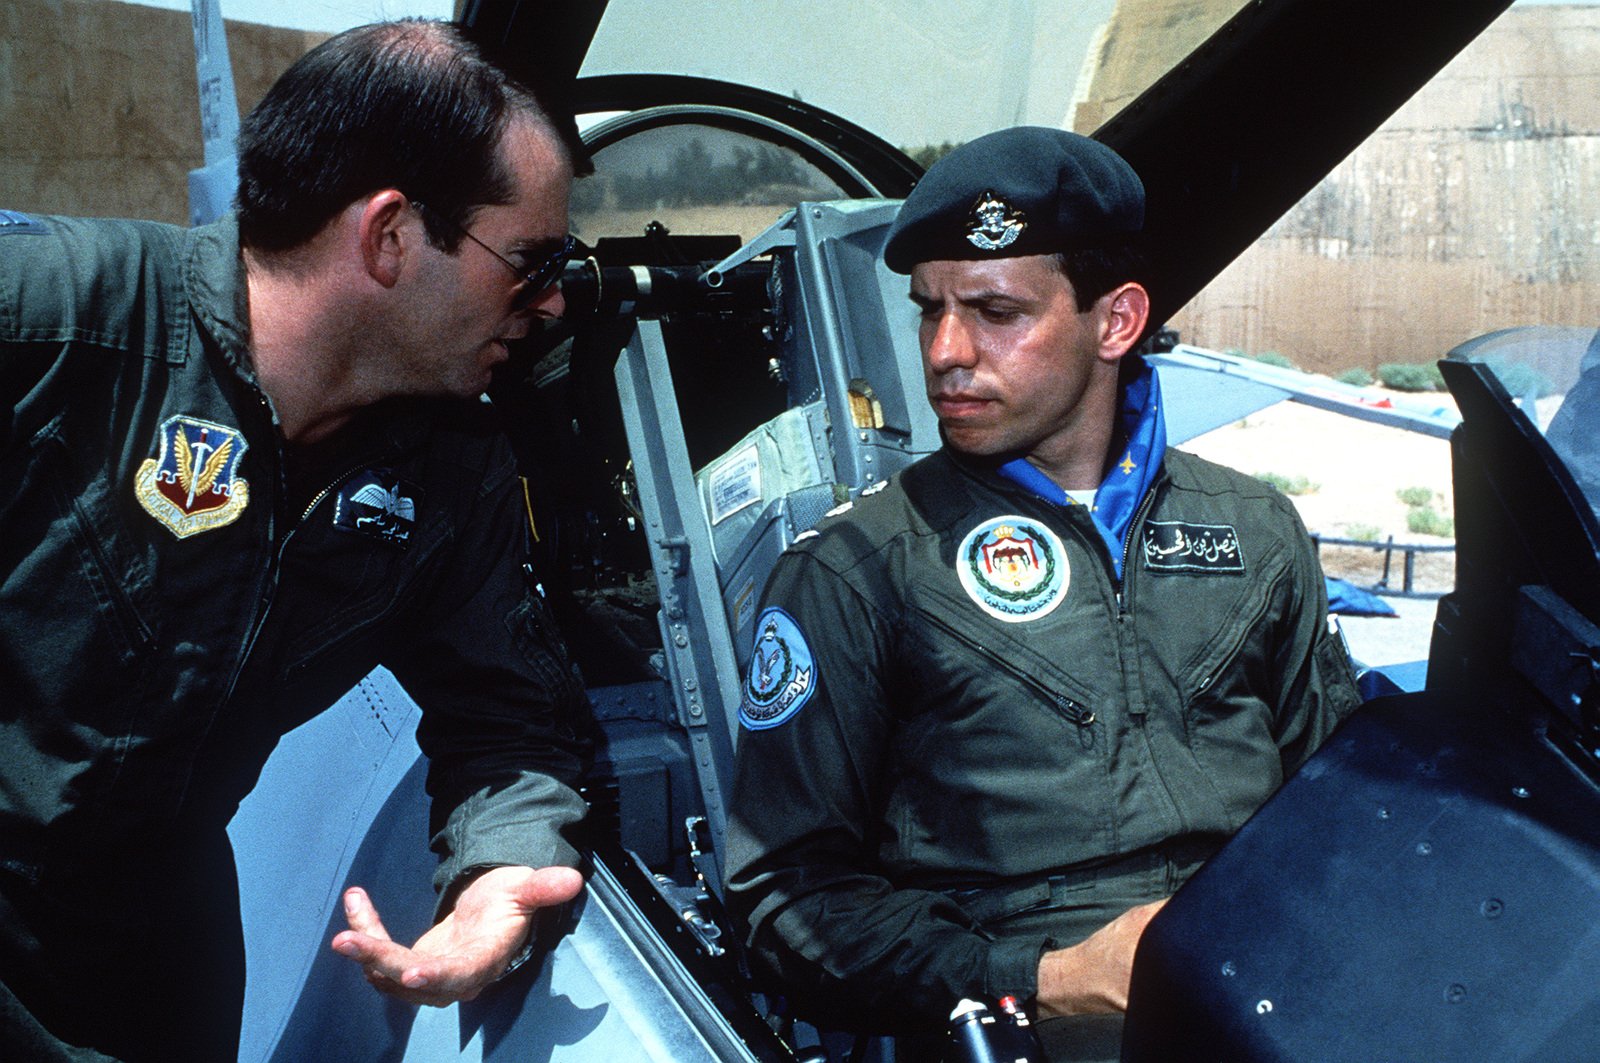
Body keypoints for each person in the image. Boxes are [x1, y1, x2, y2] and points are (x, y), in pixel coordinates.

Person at [0, 20, 593, 1062]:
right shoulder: (55, 323)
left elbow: (512, 721)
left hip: (144, 966)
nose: (548, 304)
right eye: (530, 262)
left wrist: (498, 883)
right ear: (390, 236)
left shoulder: (452, 470)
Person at [723, 126, 1362, 1061]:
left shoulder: (1253, 530)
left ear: (1116, 321)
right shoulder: (857, 568)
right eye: (929, 309)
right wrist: (1043, 978)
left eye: (994, 310)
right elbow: (785, 906)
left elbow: (1343, 809)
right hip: (1016, 1024)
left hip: (1267, 1000)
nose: (945, 351)